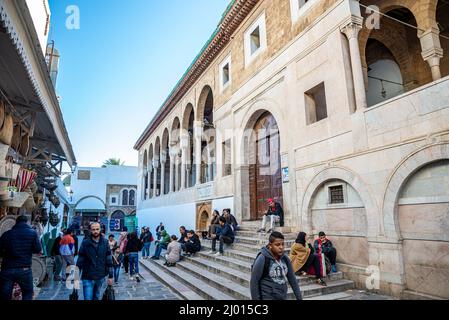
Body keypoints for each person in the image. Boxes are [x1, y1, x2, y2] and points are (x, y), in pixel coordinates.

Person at [0, 215, 42, 300]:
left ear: (16, 222)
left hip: (7, 269)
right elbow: (37, 249)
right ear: (27, 222)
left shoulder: (7, 234)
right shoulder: (32, 233)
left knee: (5, 295)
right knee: (27, 293)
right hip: (24, 269)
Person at [250, 231, 302, 300]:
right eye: (277, 245)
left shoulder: (285, 259)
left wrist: (299, 297)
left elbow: (293, 279)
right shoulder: (262, 258)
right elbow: (254, 281)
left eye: (283, 244)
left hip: (282, 296)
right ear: (270, 245)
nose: (281, 247)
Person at [76, 222, 114, 300]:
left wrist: (111, 276)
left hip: (100, 276)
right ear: (90, 230)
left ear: (100, 229)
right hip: (88, 276)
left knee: (96, 297)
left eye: (97, 229)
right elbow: (80, 260)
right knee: (88, 298)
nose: (95, 231)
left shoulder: (105, 242)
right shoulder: (85, 243)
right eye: (93, 229)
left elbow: (109, 260)